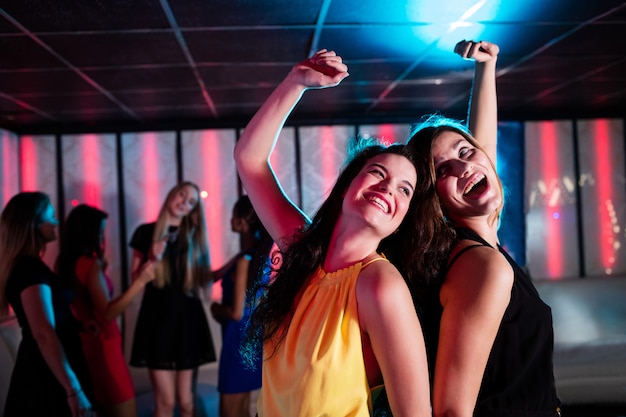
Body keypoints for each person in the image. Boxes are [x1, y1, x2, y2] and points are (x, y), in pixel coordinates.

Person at [234, 49, 450, 417]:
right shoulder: (301, 247)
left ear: (403, 220)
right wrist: (295, 83)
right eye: (379, 173)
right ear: (348, 185)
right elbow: (249, 159)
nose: (387, 189)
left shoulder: (378, 283)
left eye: (404, 190)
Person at [408, 40, 561, 417]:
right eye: (442, 171)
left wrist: (486, 67)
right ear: (433, 200)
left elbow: (481, 156)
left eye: (464, 153)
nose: (464, 169)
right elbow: (451, 411)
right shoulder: (479, 265)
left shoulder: (480, 240)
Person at [55, 204, 157, 417]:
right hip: (105, 347)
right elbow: (107, 313)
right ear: (89, 233)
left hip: (87, 344)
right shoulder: (90, 264)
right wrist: (141, 281)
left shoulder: (65, 263)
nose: (103, 237)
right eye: (100, 231)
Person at [0, 192, 93, 417]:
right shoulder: (29, 270)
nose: (56, 223)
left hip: (52, 364)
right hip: (46, 371)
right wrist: (73, 390)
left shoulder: (31, 267)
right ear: (33, 224)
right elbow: (42, 332)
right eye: (50, 217)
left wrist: (77, 326)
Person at [129, 181, 216, 417]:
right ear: (171, 195)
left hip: (188, 321)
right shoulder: (144, 233)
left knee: (187, 402)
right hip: (155, 322)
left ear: (193, 210)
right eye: (182, 195)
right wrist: (152, 257)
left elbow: (205, 280)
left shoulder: (194, 238)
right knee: (165, 403)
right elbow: (135, 282)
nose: (184, 203)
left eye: (191, 202)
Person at [210, 195, 272, 417]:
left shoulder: (244, 260)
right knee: (243, 406)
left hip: (236, 338)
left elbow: (236, 313)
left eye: (234, 214)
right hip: (252, 337)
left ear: (243, 220)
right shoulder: (257, 256)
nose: (230, 219)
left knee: (229, 408)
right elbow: (213, 275)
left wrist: (215, 309)